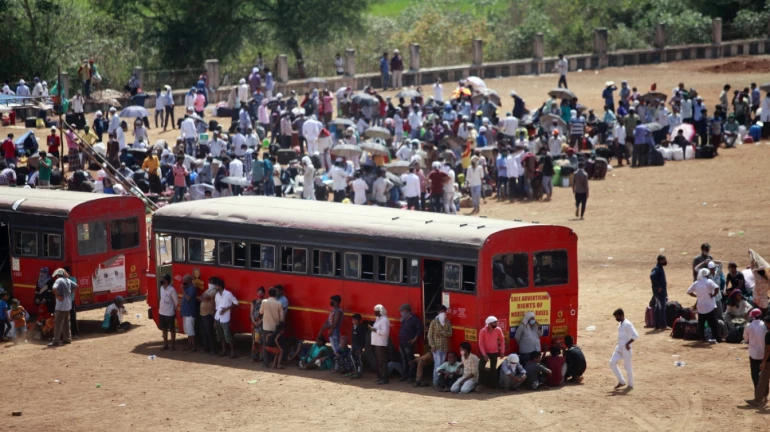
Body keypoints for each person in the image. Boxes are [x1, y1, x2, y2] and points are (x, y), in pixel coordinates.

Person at [688, 268, 722, 342]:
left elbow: (689, 291)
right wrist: (713, 295)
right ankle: (716, 337)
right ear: (706, 274)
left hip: (700, 307)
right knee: (713, 323)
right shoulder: (709, 281)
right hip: (709, 306)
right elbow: (717, 288)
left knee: (701, 323)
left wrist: (696, 296)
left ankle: (702, 338)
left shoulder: (696, 283)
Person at [610, 308, 638, 390]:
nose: (616, 319)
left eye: (617, 317)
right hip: (619, 347)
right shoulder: (621, 324)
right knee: (612, 362)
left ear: (622, 315)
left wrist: (628, 344)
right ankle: (621, 381)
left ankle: (630, 385)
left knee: (627, 367)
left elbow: (635, 335)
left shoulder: (627, 324)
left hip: (626, 349)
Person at [746, 316, 770, 407]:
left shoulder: (768, 334)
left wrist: (763, 362)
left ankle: (758, 400)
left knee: (762, 380)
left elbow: (767, 350)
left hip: (769, 362)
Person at [426, 305, 452, 387]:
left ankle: (440, 382)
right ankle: (436, 382)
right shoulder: (434, 322)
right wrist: (432, 345)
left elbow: (450, 333)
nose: (443, 313)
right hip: (436, 347)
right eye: (441, 311)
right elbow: (429, 335)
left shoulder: (447, 322)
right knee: (438, 364)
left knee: (442, 364)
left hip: (444, 347)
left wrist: (442, 333)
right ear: (438, 312)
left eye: (444, 311)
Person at [48, 268, 75, 347]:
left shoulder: (58, 280)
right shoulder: (68, 280)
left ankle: (56, 341)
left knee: (58, 323)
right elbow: (76, 286)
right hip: (68, 306)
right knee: (67, 323)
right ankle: (67, 339)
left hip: (60, 307)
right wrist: (70, 292)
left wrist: (57, 296)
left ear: (57, 275)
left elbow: (54, 288)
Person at [212, 277, 238, 358]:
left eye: (216, 286)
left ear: (220, 286)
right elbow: (216, 308)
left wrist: (226, 309)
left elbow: (236, 303)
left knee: (227, 335)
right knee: (221, 335)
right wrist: (214, 320)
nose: (215, 287)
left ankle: (232, 352)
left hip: (225, 318)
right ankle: (224, 350)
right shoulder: (217, 295)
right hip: (218, 317)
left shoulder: (228, 294)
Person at [397, 304, 422, 383]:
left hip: (408, 343)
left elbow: (420, 329)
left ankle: (411, 377)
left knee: (410, 360)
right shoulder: (404, 319)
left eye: (401, 311)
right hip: (402, 342)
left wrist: (415, 339)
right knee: (403, 359)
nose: (401, 313)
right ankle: (405, 375)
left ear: (406, 311)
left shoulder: (414, 319)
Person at [744, 309, 767, 391]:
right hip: (764, 354)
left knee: (755, 374)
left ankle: (757, 392)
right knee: (765, 374)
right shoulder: (765, 325)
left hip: (753, 354)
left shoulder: (748, 326)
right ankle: (765, 393)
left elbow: (745, 338)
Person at [370, 304, 390, 384]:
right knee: (378, 361)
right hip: (377, 343)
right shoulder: (378, 319)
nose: (374, 312)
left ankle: (384, 379)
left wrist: (375, 330)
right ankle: (380, 377)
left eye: (376, 311)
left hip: (381, 343)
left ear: (380, 311)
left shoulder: (384, 320)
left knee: (382, 361)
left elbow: (384, 332)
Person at [158, 274, 178, 351]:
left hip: (169, 313)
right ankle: (165, 344)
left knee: (172, 329)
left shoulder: (172, 290)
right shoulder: (161, 288)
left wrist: (173, 310)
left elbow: (176, 301)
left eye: (163, 279)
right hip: (162, 312)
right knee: (164, 329)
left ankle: (172, 345)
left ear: (167, 281)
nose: (162, 281)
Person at [179, 274, 197, 352]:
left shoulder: (192, 288)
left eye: (185, 280)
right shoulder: (187, 288)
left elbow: (188, 298)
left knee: (191, 330)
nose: (183, 282)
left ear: (189, 281)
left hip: (190, 313)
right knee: (187, 330)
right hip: (185, 312)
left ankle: (193, 346)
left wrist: (183, 290)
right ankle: (189, 345)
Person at [650, 254, 668, 330]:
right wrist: (659, 286)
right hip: (659, 293)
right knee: (661, 308)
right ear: (660, 260)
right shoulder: (657, 269)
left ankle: (657, 325)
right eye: (664, 260)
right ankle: (662, 325)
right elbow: (652, 276)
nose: (666, 261)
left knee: (658, 308)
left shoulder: (660, 268)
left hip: (660, 292)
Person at [350, 313, 367, 378]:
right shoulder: (353, 327)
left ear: (357, 321)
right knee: (353, 357)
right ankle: (355, 370)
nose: (352, 321)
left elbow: (362, 339)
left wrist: (360, 348)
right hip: (354, 345)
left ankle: (359, 372)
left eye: (354, 320)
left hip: (358, 346)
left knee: (358, 359)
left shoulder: (360, 328)